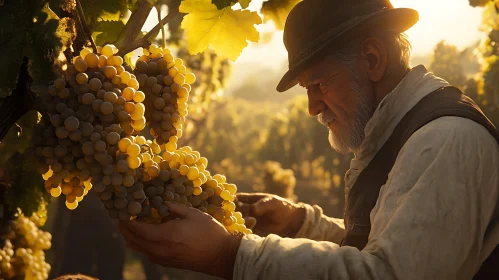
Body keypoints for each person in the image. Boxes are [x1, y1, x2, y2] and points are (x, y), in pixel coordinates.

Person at [119, 0, 499, 279]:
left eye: (318, 84)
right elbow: (387, 244)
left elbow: (387, 275)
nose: (311, 107)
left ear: (371, 59)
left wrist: (232, 256)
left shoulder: (444, 141)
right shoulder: (407, 132)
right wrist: (301, 223)